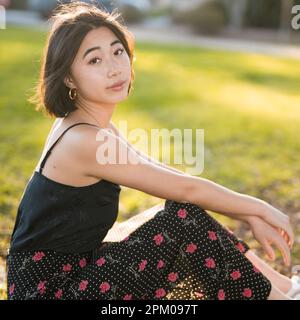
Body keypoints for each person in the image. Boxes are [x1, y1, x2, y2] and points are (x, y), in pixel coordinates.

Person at [6, 1, 299, 300]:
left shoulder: (89, 125)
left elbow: (166, 177)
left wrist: (244, 213)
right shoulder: (84, 140)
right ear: (69, 77)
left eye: (117, 52)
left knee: (178, 212)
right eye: (94, 60)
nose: (114, 68)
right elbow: (186, 188)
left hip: (77, 270)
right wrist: (258, 209)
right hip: (52, 291)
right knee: (180, 220)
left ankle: (287, 289)